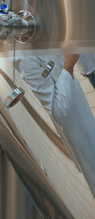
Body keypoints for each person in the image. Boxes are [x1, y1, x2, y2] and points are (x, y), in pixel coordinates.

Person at [14, 53, 95, 197]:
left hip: (83, 113)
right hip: (79, 133)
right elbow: (58, 111)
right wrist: (68, 67)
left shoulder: (34, 40)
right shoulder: (24, 60)